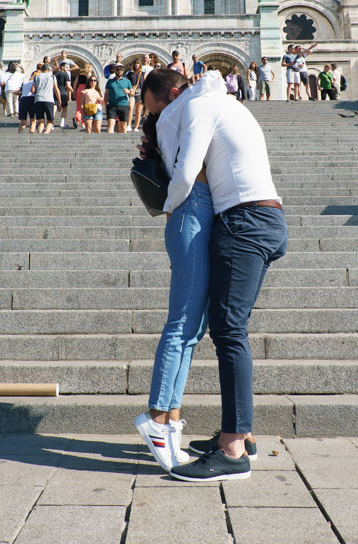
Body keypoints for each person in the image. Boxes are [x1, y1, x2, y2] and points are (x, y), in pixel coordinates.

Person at [141, 68, 286, 483]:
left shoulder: (202, 103)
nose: (164, 119)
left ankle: (234, 448)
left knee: (228, 332)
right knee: (227, 329)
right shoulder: (226, 101)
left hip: (244, 219)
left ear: (172, 93)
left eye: (160, 109)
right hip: (260, 217)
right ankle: (240, 436)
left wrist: (169, 206)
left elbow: (187, 172)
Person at [132, 71, 224, 472]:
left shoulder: (180, 107)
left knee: (193, 327)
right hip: (189, 207)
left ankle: (170, 422)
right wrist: (172, 206)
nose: (158, 115)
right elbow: (213, 84)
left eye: (158, 105)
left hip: (199, 208)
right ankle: (156, 419)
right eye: (155, 110)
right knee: (183, 321)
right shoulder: (185, 106)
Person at [31, 64, 60, 134]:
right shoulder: (52, 77)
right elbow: (56, 89)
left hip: (38, 99)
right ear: (48, 70)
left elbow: (32, 90)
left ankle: (39, 134)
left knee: (41, 121)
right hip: (48, 99)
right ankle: (46, 133)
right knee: (50, 121)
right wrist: (59, 100)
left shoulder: (36, 77)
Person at [104, 64, 133, 133]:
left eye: (121, 70)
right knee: (111, 123)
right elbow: (106, 94)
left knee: (123, 125)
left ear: (123, 71)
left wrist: (128, 91)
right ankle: (109, 142)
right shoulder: (110, 81)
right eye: (117, 69)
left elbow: (132, 93)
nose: (119, 71)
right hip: (112, 105)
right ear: (115, 71)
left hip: (123, 105)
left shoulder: (127, 81)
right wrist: (106, 104)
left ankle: (124, 142)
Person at [55, 59, 73, 129]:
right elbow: (68, 85)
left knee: (55, 107)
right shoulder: (66, 74)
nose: (68, 69)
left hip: (55, 93)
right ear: (62, 67)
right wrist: (73, 91)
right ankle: (62, 123)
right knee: (64, 108)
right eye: (66, 67)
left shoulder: (55, 75)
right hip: (63, 93)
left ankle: (51, 123)